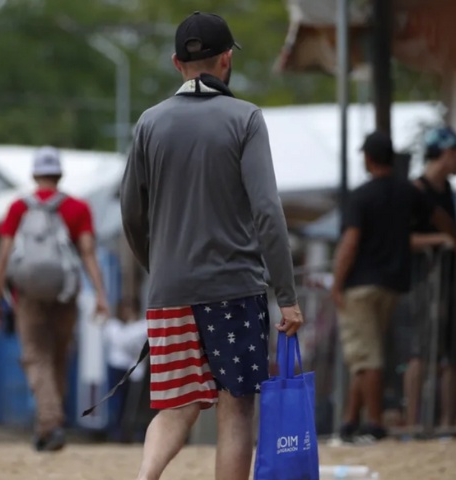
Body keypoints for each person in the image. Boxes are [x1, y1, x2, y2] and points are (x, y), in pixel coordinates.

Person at [119, 11, 304, 480]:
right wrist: (287, 296)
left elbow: (131, 214)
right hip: (234, 290)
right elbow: (267, 210)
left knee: (176, 407)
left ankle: (145, 477)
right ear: (226, 60)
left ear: (176, 63)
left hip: (170, 291)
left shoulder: (148, 124)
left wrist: (157, 267)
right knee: (237, 407)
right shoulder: (245, 119)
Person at [331, 130, 456, 443]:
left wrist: (337, 280)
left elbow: (350, 242)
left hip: (360, 285)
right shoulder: (406, 191)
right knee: (365, 353)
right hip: (392, 285)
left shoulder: (360, 195)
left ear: (368, 158)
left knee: (366, 356)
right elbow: (438, 215)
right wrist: (450, 235)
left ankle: (373, 423)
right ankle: (349, 421)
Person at [0, 146, 110, 452]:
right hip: (66, 293)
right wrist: (100, 294)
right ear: (59, 174)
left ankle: (50, 423)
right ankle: (49, 425)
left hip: (27, 295)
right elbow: (88, 253)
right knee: (58, 356)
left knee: (35, 355)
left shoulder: (18, 207)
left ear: (34, 175)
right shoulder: (78, 208)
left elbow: (3, 255)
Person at [403, 126, 456, 433]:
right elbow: (404, 239)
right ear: (446, 154)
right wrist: (440, 239)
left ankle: (447, 420)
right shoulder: (416, 191)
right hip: (423, 282)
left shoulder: (446, 191)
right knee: (419, 351)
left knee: (448, 352)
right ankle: (413, 422)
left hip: (446, 282)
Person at [103, 301, 148, 443]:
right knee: (116, 401)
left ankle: (127, 431)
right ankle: (115, 431)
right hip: (116, 368)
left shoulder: (139, 326)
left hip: (131, 369)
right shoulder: (114, 326)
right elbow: (122, 340)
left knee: (130, 402)